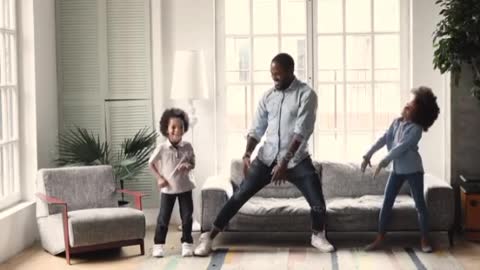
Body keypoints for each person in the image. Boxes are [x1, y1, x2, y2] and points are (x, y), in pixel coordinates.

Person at [194, 53, 335, 256]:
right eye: (272, 74)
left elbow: (301, 131)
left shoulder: (306, 94)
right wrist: (247, 154)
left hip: (296, 160)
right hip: (267, 157)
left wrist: (285, 162)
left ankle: (318, 235)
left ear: (290, 71)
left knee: (317, 201)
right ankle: (209, 237)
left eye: (278, 74)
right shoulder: (268, 97)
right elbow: (257, 129)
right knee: (239, 196)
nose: (274, 78)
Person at [361, 86, 440, 253]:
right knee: (387, 203)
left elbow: (402, 147)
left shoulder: (416, 129)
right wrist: (368, 154)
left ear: (419, 112)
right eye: (408, 102)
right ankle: (380, 238)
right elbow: (384, 139)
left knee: (420, 205)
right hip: (397, 170)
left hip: (413, 170)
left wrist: (383, 161)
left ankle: (425, 239)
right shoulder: (397, 122)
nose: (406, 105)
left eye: (411, 105)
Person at [148, 108, 196, 257]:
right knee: (163, 218)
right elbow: (150, 163)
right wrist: (159, 178)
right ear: (167, 129)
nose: (177, 130)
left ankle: (187, 243)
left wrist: (188, 165)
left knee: (187, 217)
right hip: (168, 190)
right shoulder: (162, 148)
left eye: (180, 127)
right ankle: (158, 245)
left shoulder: (188, 146)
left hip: (185, 187)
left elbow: (193, 162)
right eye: (173, 127)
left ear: (184, 128)